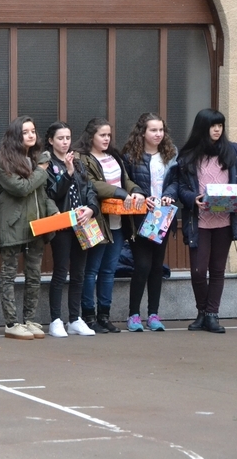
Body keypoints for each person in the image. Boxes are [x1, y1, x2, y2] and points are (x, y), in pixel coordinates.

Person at [177, 109, 237, 334]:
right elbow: (181, 187)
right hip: (199, 221)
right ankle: (202, 311)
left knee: (217, 269)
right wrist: (193, 198)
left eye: (220, 125)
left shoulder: (233, 151)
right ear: (202, 128)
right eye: (213, 126)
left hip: (225, 220)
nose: (217, 130)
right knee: (199, 271)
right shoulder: (188, 155)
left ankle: (211, 315)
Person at [75, 118, 145, 334]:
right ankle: (88, 316)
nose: (107, 139)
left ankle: (104, 316)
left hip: (118, 222)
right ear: (91, 136)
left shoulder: (114, 156)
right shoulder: (82, 158)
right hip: (97, 221)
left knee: (109, 271)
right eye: (102, 135)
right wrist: (120, 193)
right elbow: (91, 184)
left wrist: (136, 191)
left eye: (108, 135)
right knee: (91, 271)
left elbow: (125, 179)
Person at [0, 116, 58, 340]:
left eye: (33, 131)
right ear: (15, 135)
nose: (31, 135)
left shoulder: (36, 158)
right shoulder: (3, 159)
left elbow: (43, 193)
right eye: (25, 132)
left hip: (37, 225)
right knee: (9, 275)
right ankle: (11, 323)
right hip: (13, 224)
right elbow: (20, 188)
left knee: (34, 275)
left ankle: (30, 320)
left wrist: (53, 212)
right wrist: (40, 170)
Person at [122, 113, 178, 332]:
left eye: (161, 130)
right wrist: (143, 197)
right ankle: (133, 315)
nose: (158, 134)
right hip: (139, 217)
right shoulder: (130, 155)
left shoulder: (171, 153)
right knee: (142, 265)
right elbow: (126, 183)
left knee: (156, 266)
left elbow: (177, 181)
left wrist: (169, 195)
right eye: (153, 130)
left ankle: (153, 314)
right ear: (142, 132)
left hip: (163, 216)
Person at [44, 121, 98, 338]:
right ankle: (55, 320)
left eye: (68, 138)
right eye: (60, 138)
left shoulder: (78, 162)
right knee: (60, 272)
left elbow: (90, 189)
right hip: (62, 225)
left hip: (82, 223)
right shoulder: (48, 164)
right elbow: (52, 194)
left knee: (79, 273)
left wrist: (92, 209)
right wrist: (67, 172)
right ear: (51, 141)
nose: (65, 142)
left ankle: (75, 319)